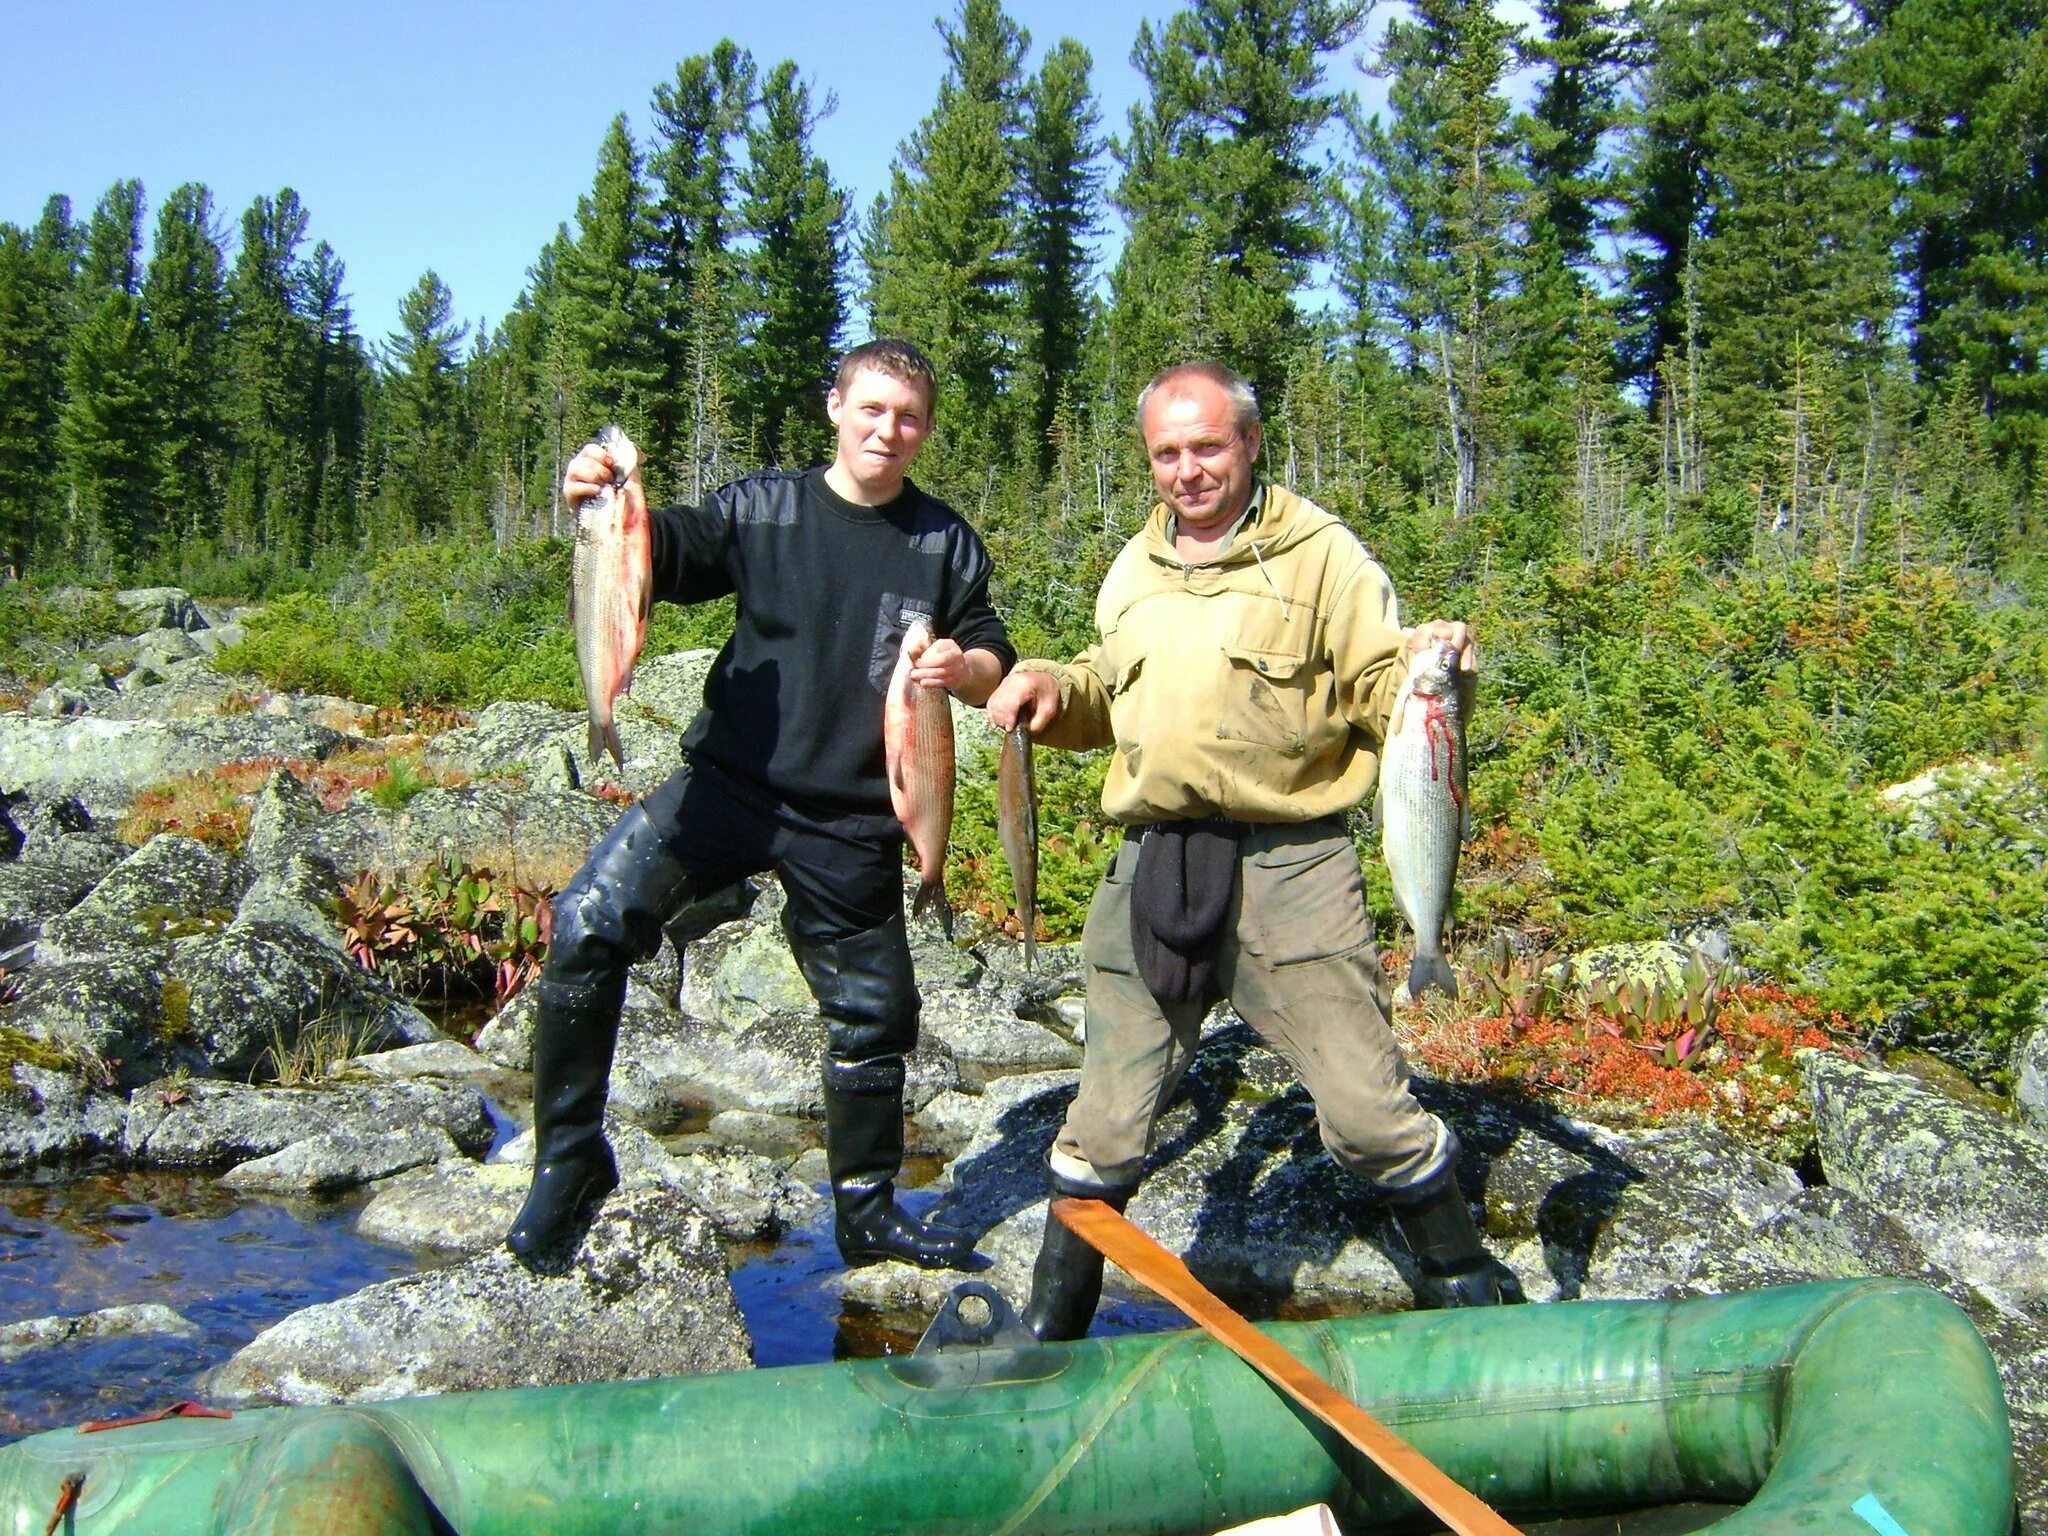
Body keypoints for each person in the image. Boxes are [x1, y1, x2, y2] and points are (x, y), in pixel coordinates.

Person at [985, 360, 1513, 1340]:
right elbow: (1110, 686)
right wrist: (1054, 691)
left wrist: (1442, 677)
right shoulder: (1133, 566)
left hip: (1291, 868)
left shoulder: (1322, 556)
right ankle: (1047, 1342)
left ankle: (1472, 1302)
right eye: (1165, 452)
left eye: (1206, 447)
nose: (1186, 470)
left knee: (1365, 1116)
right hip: (1150, 867)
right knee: (1101, 1123)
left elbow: (1383, 696)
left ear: (1250, 443)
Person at [507, 339, 1013, 1272]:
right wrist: (602, 500)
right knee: (587, 920)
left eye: (906, 417)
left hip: (855, 815)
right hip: (728, 785)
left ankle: (866, 1211)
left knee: (874, 1014)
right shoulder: (764, 506)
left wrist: (964, 667)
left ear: (926, 430)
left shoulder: (945, 542)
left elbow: (990, 649)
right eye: (870, 410)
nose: (886, 431)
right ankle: (569, 1160)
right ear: (835, 408)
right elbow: (665, 555)